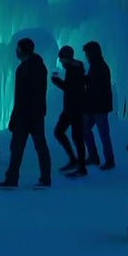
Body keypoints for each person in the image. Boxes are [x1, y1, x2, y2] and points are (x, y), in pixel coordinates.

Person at [0, 38, 52, 189]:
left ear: (23, 50)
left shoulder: (27, 68)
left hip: (27, 114)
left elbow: (23, 95)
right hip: (35, 113)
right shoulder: (37, 66)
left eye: (18, 48)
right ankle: (43, 179)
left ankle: (13, 179)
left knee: (21, 147)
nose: (16, 51)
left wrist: (16, 116)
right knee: (35, 146)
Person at [51, 46, 89, 177]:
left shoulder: (74, 70)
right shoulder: (75, 68)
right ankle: (75, 160)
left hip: (75, 108)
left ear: (66, 57)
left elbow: (71, 89)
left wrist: (56, 81)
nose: (60, 61)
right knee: (60, 132)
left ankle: (81, 167)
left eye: (61, 58)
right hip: (71, 108)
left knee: (76, 137)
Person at [81, 41, 116, 171]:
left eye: (87, 53)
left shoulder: (99, 66)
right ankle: (95, 156)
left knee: (103, 133)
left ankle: (108, 159)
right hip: (94, 106)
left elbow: (95, 85)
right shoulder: (96, 65)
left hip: (99, 106)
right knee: (86, 129)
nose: (86, 56)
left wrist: (81, 79)